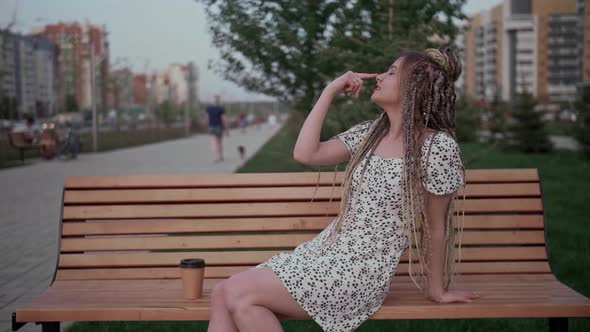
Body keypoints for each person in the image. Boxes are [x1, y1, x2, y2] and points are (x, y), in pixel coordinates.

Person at [206, 47, 479, 332]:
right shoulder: (369, 134)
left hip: (360, 273)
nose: (379, 76)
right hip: (326, 254)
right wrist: (329, 91)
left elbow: (436, 227)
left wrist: (437, 290)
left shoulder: (437, 148)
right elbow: (306, 154)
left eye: (391, 72)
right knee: (222, 294)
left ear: (415, 86)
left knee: (237, 292)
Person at [205, 95, 229, 163]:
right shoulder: (221, 109)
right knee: (220, 142)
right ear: (218, 101)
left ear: (213, 101)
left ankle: (215, 157)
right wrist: (227, 129)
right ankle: (220, 156)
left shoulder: (208, 109)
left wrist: (207, 126)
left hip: (211, 127)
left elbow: (207, 118)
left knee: (213, 142)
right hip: (219, 127)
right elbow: (224, 119)